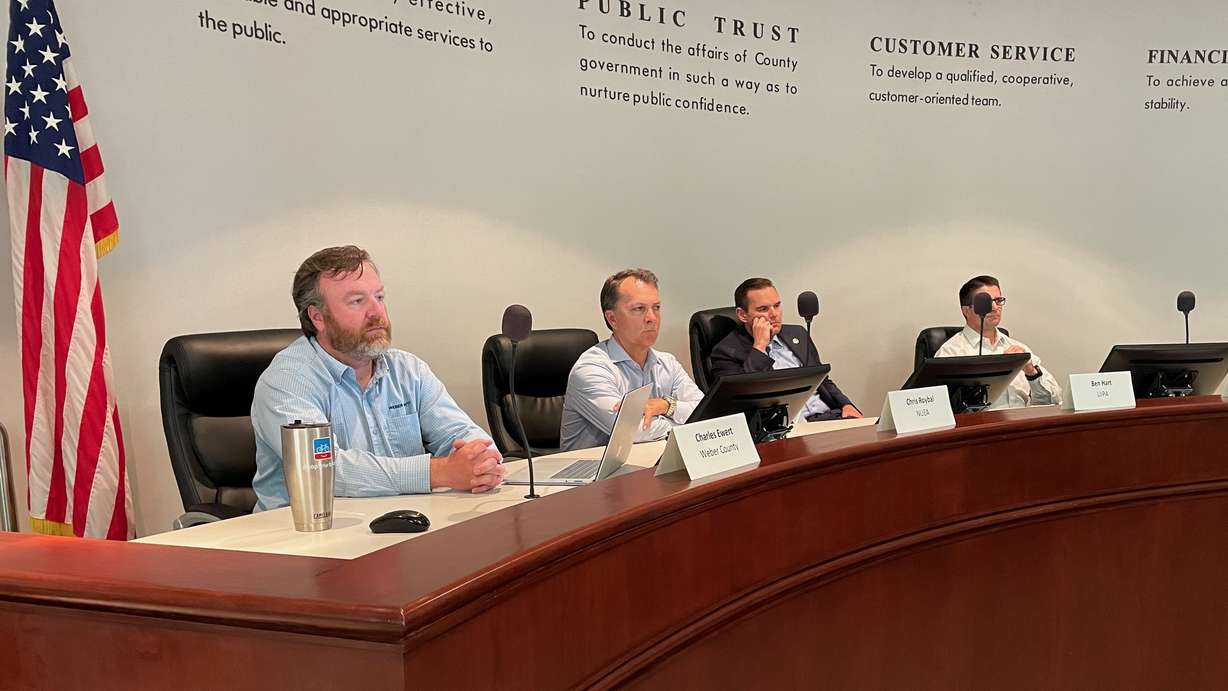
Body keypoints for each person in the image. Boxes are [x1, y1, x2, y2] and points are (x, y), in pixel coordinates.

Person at [250, 246, 504, 511]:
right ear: (318, 317)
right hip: (300, 537)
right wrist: (437, 471)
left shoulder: (408, 370)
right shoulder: (287, 382)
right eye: (357, 301)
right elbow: (326, 470)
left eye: (379, 297)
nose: (377, 312)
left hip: (401, 526)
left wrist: (481, 460)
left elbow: (461, 434)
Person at [559, 268, 704, 451]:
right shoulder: (591, 369)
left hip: (650, 465)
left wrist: (667, 406)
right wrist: (689, 428)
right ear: (612, 319)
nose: (652, 318)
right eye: (639, 309)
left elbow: (704, 411)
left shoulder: (667, 363)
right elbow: (630, 431)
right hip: (593, 475)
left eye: (656, 308)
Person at [709, 277, 861, 421]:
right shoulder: (725, 352)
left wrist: (846, 405)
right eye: (763, 309)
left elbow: (822, 380)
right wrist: (759, 346)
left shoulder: (798, 334)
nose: (774, 314)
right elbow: (745, 401)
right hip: (786, 428)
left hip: (829, 417)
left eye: (777, 305)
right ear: (742, 315)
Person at [934, 275, 1062, 408]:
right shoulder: (951, 352)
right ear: (966, 311)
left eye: (998, 300)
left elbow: (1053, 401)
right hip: (980, 427)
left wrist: (1031, 373)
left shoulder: (1017, 348)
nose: (995, 307)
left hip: (1024, 424)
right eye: (986, 303)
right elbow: (941, 409)